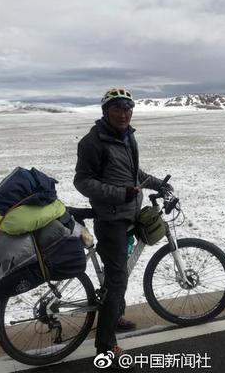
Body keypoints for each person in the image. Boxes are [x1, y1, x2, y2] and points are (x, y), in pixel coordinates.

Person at [74, 88, 169, 370]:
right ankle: (105, 344)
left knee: (119, 272)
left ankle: (114, 315)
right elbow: (82, 181)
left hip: (129, 214)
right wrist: (120, 194)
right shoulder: (93, 142)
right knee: (117, 279)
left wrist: (156, 184)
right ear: (105, 111)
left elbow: (133, 173)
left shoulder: (127, 137)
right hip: (111, 219)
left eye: (128, 108)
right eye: (117, 108)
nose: (123, 113)